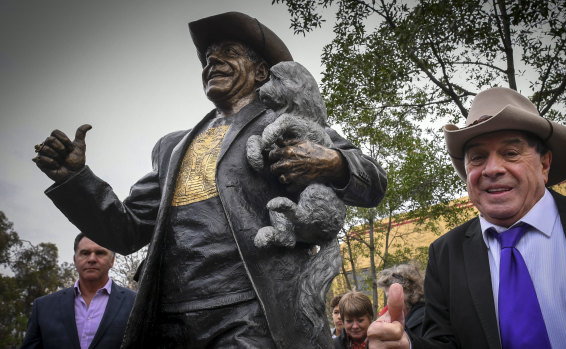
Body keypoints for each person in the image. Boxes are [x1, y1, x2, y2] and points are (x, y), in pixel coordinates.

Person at [32, 11, 387, 349]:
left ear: (261, 71)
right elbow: (126, 231)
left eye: (228, 53)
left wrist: (334, 163)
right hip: (170, 316)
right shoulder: (172, 147)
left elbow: (372, 181)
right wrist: (76, 178)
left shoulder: (287, 122)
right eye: (207, 59)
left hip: (251, 311)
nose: (211, 63)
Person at [367, 87, 566, 349]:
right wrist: (407, 347)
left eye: (510, 153)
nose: (492, 169)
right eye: (478, 157)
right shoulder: (446, 255)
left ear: (544, 164)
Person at [21, 233, 136, 349]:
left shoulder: (135, 303)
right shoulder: (43, 307)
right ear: (75, 260)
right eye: (85, 253)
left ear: (112, 261)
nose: (92, 259)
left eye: (100, 253)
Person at [376, 262, 425, 336]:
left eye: (391, 296)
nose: (390, 302)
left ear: (410, 291)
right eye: (388, 298)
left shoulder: (422, 322)